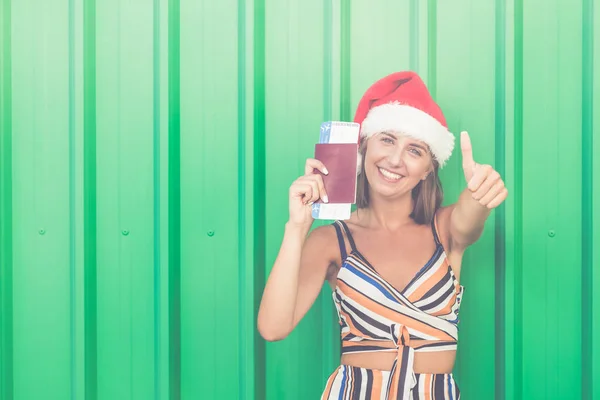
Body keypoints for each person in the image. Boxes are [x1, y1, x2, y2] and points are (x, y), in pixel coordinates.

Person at [257, 71, 507, 399]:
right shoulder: (331, 241)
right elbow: (273, 328)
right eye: (387, 140)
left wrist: (480, 195)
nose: (395, 159)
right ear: (364, 147)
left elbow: (470, 218)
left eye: (414, 150)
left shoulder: (445, 230)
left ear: (428, 169)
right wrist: (297, 227)